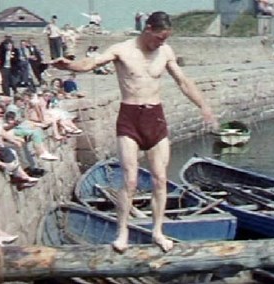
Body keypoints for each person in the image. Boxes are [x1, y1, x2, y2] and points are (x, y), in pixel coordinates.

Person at [51, 11, 218, 253]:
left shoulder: (165, 52)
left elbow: (183, 81)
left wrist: (204, 107)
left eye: (166, 39)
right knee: (129, 180)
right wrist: (71, 65)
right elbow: (92, 63)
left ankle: (158, 232)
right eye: (159, 37)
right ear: (148, 28)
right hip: (130, 117)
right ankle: (122, 233)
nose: (162, 43)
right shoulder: (123, 50)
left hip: (155, 117)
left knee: (160, 179)